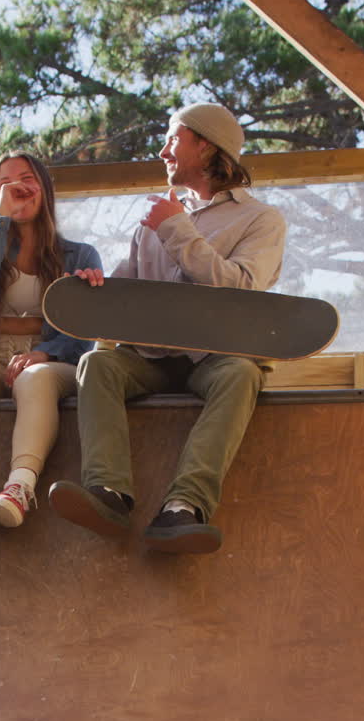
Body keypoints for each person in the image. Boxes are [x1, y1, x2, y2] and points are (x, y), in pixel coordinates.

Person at [48, 102, 287, 553]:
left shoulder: (260, 220)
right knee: (98, 365)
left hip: (215, 357)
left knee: (242, 374)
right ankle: (109, 493)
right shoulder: (156, 220)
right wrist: (95, 286)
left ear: (207, 146)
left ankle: (184, 507)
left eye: (173, 139)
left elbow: (242, 287)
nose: (162, 152)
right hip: (150, 357)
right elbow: (126, 290)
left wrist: (175, 229)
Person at [0, 151, 102, 530]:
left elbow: (85, 330)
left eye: (26, 178)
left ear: (44, 188)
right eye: (5, 183)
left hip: (51, 360)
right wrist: (1, 217)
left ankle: (20, 487)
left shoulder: (80, 254)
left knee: (35, 377)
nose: (17, 187)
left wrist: (45, 352)